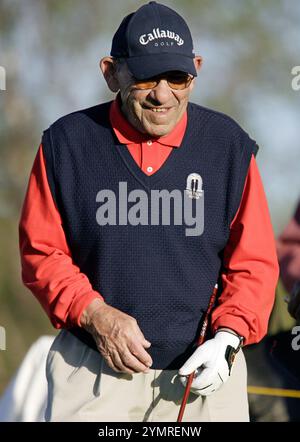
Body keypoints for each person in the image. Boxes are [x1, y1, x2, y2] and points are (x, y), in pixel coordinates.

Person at [19, 1, 279, 422]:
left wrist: (229, 337)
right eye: (145, 77)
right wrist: (94, 313)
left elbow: (253, 263)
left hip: (205, 375)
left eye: (177, 77)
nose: (162, 94)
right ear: (111, 73)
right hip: (92, 373)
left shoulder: (229, 146)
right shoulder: (65, 144)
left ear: (195, 71)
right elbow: (42, 253)